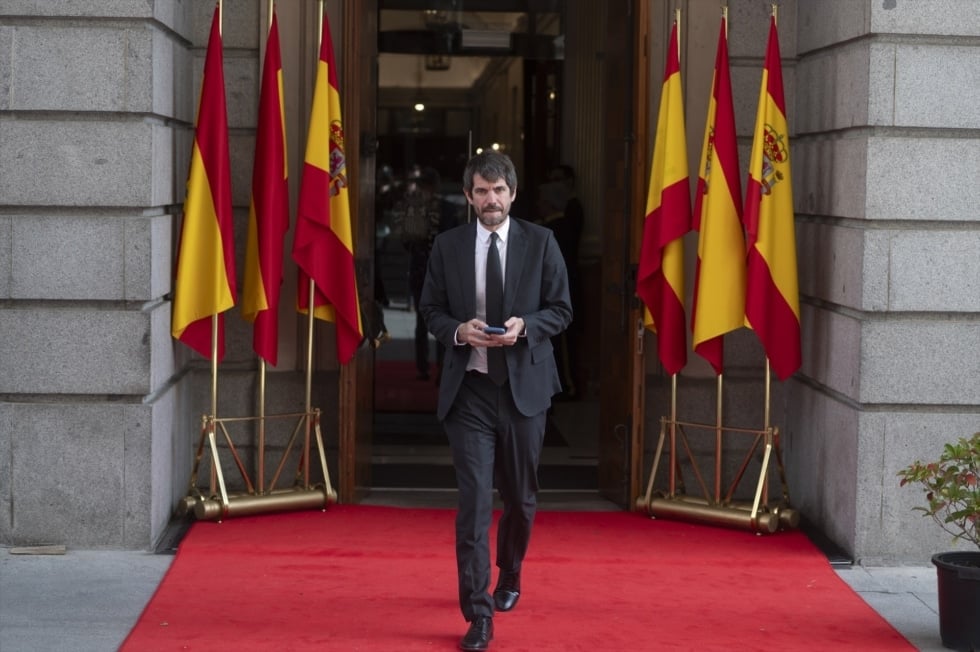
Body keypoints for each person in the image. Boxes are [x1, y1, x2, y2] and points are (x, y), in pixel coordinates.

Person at [419, 151, 572, 651]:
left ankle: (510, 572)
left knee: (521, 501)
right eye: (481, 191)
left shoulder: (542, 241)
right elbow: (431, 311)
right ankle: (478, 613)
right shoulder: (448, 246)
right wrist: (458, 333)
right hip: (471, 391)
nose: (491, 200)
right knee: (473, 503)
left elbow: (562, 310)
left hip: (525, 389)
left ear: (513, 193)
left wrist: (525, 327)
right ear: (468, 196)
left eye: (499, 190)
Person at [395, 166, 456, 380]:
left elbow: (407, 242)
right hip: (436, 271)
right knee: (437, 320)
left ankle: (426, 368)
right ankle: (437, 367)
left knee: (425, 321)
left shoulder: (418, 208)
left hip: (427, 269)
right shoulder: (441, 208)